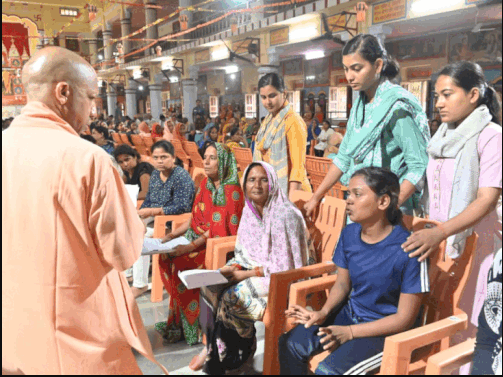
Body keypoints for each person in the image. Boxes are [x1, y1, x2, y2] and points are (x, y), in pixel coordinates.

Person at [2, 46, 168, 374]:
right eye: (91, 97)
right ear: (63, 92)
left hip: (13, 333)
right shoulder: (87, 159)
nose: (93, 112)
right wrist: (131, 217)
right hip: (75, 339)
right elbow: (122, 252)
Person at [279, 167, 429, 375]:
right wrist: (323, 312)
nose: (348, 200)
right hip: (350, 316)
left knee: (329, 372)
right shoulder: (349, 234)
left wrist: (349, 332)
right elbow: (342, 284)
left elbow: (404, 319)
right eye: (348, 193)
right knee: (290, 344)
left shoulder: (408, 249)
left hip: (386, 333)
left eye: (357, 194)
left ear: (383, 202)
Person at [401, 61, 502, 360]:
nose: (439, 103)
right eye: (436, 96)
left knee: (470, 318)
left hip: (478, 243)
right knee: (443, 312)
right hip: (443, 241)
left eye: (447, 94)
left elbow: (486, 199)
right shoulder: (441, 137)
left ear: (473, 95)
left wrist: (442, 231)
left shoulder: (491, 136)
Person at [189, 161, 311, 374]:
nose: (257, 185)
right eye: (252, 180)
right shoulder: (251, 209)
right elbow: (245, 251)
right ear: (244, 184)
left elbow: (285, 265)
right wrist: (232, 268)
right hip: (255, 269)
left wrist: (243, 274)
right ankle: (212, 347)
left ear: (273, 183)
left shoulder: (284, 214)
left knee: (233, 297)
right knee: (209, 286)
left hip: (283, 278)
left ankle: (241, 350)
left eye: (264, 180)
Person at [304, 34, 430, 218]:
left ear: (378, 65)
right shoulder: (359, 106)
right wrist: (316, 196)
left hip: (387, 211)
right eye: (346, 69)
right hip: (359, 204)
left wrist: (390, 207)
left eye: (357, 68)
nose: (349, 76)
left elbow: (418, 165)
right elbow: (343, 158)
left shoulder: (396, 107)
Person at [152, 142, 245, 346]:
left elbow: (217, 230)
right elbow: (194, 219)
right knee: (165, 255)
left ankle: (192, 326)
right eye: (206, 157)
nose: (206, 162)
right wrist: (170, 237)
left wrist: (189, 247)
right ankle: (179, 322)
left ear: (224, 162)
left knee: (181, 261)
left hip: (220, 248)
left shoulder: (231, 191)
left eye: (213, 158)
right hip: (199, 241)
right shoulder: (205, 184)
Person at [254, 72, 311, 194]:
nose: (268, 102)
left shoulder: (292, 121)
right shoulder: (269, 121)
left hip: (292, 192)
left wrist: (288, 203)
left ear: (284, 94)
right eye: (263, 97)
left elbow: (297, 167)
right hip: (273, 189)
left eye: (272, 96)